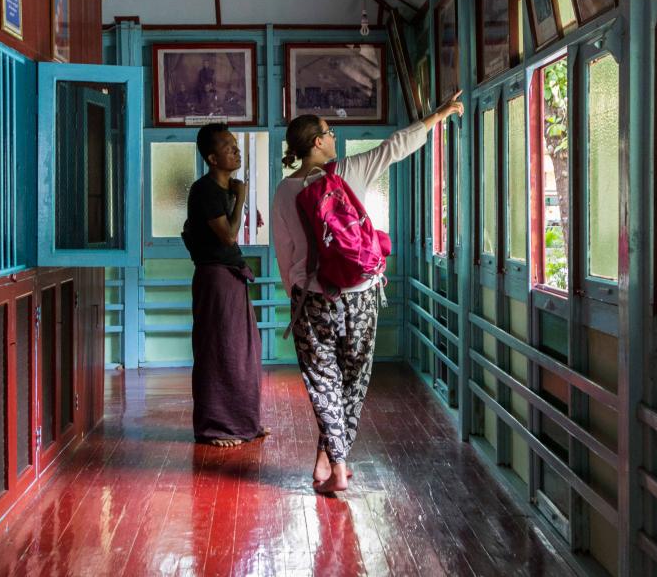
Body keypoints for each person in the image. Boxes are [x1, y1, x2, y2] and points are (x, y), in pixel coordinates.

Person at [271, 91, 464, 493]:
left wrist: (300, 293)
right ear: (318, 142)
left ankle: (331, 464)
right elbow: (395, 147)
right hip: (360, 292)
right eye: (329, 132)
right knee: (353, 379)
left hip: (312, 299)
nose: (333, 137)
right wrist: (439, 115)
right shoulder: (347, 173)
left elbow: (285, 250)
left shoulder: (283, 192)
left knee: (322, 380)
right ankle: (336, 463)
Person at [182, 123, 269, 447]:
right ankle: (215, 427)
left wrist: (236, 196)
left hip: (230, 275)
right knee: (219, 351)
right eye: (228, 146)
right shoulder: (204, 190)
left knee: (243, 351)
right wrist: (242, 196)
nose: (236, 150)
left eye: (235, 144)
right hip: (215, 278)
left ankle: (244, 421)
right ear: (212, 158)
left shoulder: (223, 190)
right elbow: (229, 235)